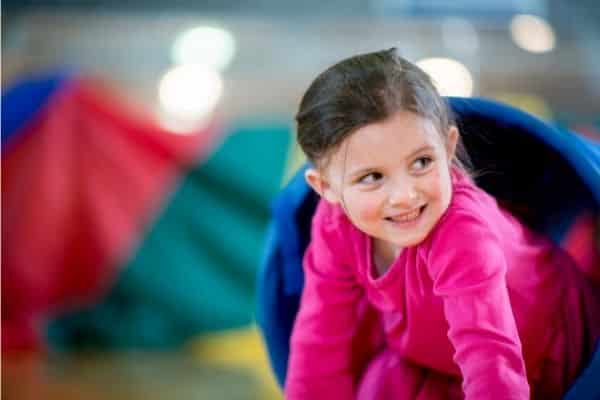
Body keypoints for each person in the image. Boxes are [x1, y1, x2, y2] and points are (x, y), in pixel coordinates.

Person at [284, 48, 600, 399]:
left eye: (421, 162)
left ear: (448, 148)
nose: (404, 195)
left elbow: (491, 361)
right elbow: (320, 338)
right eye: (372, 176)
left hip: (540, 352)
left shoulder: (462, 233)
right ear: (326, 188)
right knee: (376, 384)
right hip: (429, 358)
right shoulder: (334, 226)